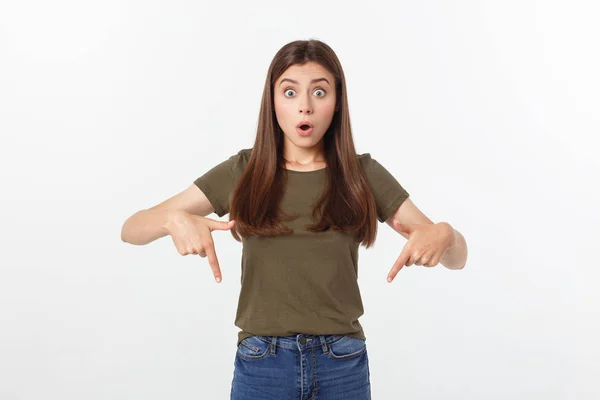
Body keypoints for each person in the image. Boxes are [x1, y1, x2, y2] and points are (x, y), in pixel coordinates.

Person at [121, 39, 468, 400]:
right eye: (290, 92)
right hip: (263, 364)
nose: (305, 106)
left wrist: (445, 234)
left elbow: (456, 258)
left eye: (319, 92)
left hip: (342, 364)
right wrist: (173, 220)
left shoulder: (361, 174)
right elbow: (130, 229)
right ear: (272, 102)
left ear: (337, 104)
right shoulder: (244, 171)